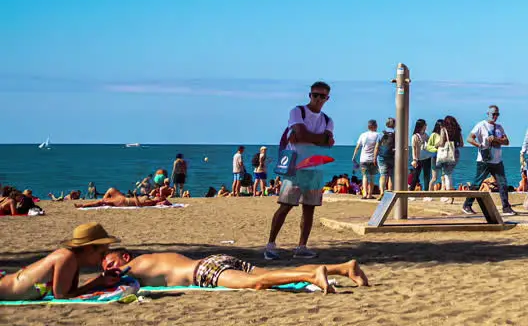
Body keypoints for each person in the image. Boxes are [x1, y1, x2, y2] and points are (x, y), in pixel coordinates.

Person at [265, 81, 335, 261]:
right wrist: (317, 139)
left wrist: (308, 138)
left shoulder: (328, 120)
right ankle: (271, 244)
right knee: (286, 205)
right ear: (309, 95)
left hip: (315, 167)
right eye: (315, 95)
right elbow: (306, 136)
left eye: (322, 96)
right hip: (296, 167)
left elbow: (325, 143)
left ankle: (302, 246)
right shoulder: (297, 111)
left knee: (309, 209)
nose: (318, 99)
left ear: (327, 98)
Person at [101, 248, 369, 294]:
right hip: (216, 259)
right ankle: (344, 268)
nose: (110, 269)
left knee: (258, 282)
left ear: (124, 257)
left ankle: (312, 275)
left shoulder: (132, 265)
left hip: (203, 272)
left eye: (111, 262)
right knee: (276, 273)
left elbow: (108, 280)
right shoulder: (154, 257)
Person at [0, 223, 123, 301]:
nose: (103, 259)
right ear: (89, 248)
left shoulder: (72, 260)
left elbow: (70, 291)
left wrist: (100, 280)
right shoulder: (66, 258)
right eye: (101, 253)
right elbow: (61, 295)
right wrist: (96, 282)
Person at [462, 105, 516, 216]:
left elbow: (506, 142)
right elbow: (469, 138)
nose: (495, 116)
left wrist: (496, 139)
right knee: (477, 183)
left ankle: (506, 207)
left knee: (503, 184)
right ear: (488, 114)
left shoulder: (499, 127)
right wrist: (480, 145)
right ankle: (467, 205)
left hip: (497, 160)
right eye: (493, 114)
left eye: (497, 114)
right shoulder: (481, 125)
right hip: (484, 161)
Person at [434, 116, 462, 202]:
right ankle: (449, 195)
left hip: (446, 154)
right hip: (455, 153)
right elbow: (461, 144)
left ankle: (448, 196)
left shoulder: (443, 129)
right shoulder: (458, 130)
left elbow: (442, 143)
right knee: (449, 173)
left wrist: (436, 144)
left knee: (447, 175)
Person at [352, 120, 380, 199]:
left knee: (364, 176)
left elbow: (357, 147)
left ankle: (364, 194)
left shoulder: (363, 135)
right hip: (372, 159)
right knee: (372, 177)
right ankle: (370, 194)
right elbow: (378, 147)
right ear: (375, 126)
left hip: (363, 159)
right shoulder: (378, 135)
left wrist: (354, 156)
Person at [76, 186, 172, 208]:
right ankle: (104, 201)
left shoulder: (152, 202)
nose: (158, 196)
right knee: (111, 189)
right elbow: (154, 191)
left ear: (160, 200)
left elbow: (139, 205)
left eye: (160, 197)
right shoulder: (151, 198)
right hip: (124, 198)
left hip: (124, 202)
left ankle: (83, 205)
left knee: (102, 201)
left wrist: (135, 195)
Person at [410, 119, 432, 191]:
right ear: (422, 126)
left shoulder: (426, 135)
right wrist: (414, 159)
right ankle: (410, 192)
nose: (426, 126)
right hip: (418, 159)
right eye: (425, 125)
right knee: (415, 176)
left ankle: (426, 193)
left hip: (427, 158)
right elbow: (413, 148)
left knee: (427, 177)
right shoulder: (415, 136)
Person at [377, 117, 397, 195]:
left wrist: (375, 157)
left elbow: (377, 146)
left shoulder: (381, 133)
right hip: (392, 156)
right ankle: (390, 192)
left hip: (382, 156)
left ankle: (382, 191)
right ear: (394, 124)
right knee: (391, 175)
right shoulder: (396, 134)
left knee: (383, 175)